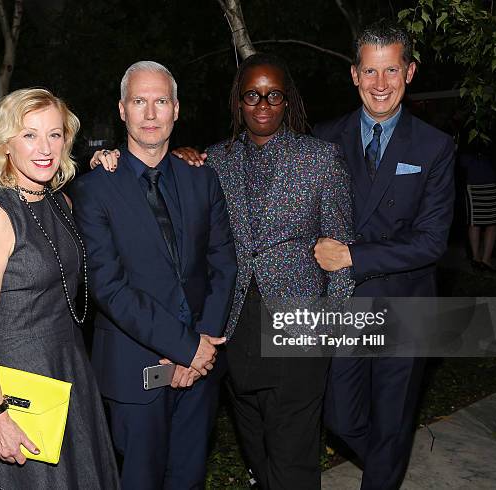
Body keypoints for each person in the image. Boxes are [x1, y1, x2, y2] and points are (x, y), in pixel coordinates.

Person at [93, 53, 355, 489]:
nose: (263, 104)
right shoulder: (213, 161)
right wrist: (109, 157)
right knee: (257, 457)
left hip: (298, 335)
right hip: (231, 341)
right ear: (238, 101)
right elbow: (168, 186)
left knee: (293, 463)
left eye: (274, 94)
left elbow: (342, 258)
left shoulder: (321, 159)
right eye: (252, 94)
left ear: (287, 100)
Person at [70, 61, 237, 490]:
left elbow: (223, 263)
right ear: (122, 110)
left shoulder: (202, 179)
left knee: (188, 479)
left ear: (176, 109)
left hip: (200, 369)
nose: (149, 113)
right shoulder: (94, 190)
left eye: (160, 101)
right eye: (138, 101)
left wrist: (203, 342)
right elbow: (109, 287)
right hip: (134, 372)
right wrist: (184, 347)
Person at [312, 21, 455, 490]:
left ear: (409, 72)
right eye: (370, 72)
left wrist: (353, 256)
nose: (380, 84)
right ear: (355, 75)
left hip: (406, 305)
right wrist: (192, 158)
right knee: (339, 414)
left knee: (392, 422)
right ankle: (386, 460)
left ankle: (383, 471)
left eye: (391, 70)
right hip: (345, 309)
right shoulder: (324, 140)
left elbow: (431, 241)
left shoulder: (434, 147)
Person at [0, 88, 119, 489]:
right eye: (29, 135)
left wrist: (107, 162)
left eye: (55, 134)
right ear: (5, 144)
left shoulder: (60, 203)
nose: (45, 147)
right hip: (20, 390)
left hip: (69, 374)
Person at [458, 142, 496, 272]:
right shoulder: (468, 138)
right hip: (474, 184)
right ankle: (476, 258)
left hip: (491, 182)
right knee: (474, 221)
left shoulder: (492, 134)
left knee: (492, 222)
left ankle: (485, 260)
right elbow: (462, 161)